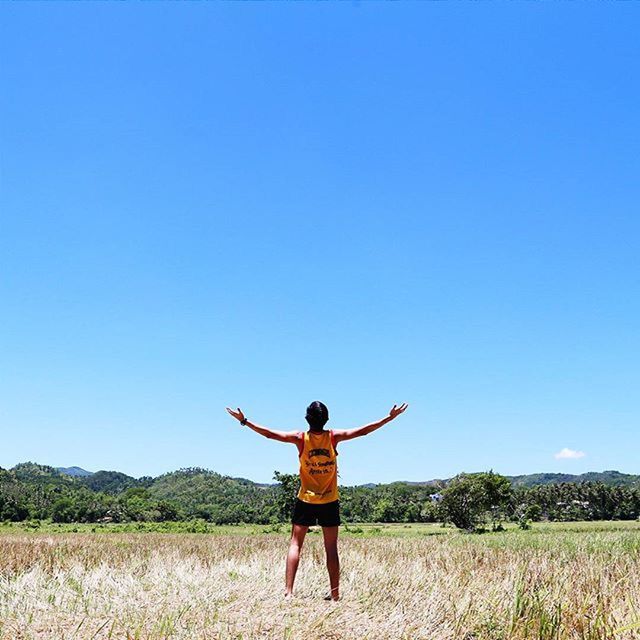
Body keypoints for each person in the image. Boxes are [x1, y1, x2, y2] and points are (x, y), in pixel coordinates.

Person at [225, 400, 409, 601]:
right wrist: (389, 418)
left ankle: (289, 593)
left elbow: (269, 434)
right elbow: (363, 431)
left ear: (307, 419)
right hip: (329, 500)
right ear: (327, 419)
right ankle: (335, 595)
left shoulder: (300, 438)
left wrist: (244, 421)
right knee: (331, 547)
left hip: (305, 500)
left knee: (295, 544)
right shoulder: (333, 437)